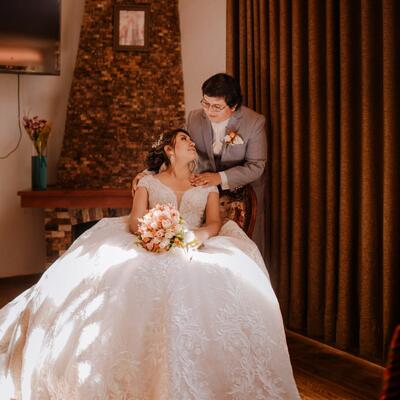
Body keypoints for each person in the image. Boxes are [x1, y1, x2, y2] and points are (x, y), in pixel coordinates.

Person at [0, 129, 299, 399]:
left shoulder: (205, 185)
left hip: (196, 241)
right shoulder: (147, 181)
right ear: (169, 150)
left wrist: (196, 236)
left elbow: (214, 223)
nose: (192, 143)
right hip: (150, 238)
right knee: (129, 272)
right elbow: (135, 220)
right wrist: (156, 233)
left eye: (191, 140)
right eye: (184, 140)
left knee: (222, 274)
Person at [132, 73, 268, 258]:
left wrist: (218, 178)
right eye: (205, 103)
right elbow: (177, 152)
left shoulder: (254, 122)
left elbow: (256, 166)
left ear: (233, 106)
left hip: (241, 190)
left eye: (217, 106)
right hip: (200, 189)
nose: (209, 111)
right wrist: (147, 173)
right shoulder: (194, 117)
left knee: (238, 251)